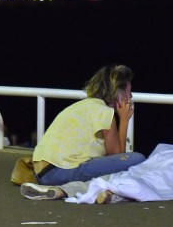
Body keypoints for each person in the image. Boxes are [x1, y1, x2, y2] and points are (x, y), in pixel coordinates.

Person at [21, 63, 146, 201]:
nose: (130, 96)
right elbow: (117, 155)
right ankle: (70, 190)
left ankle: (61, 191)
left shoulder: (83, 105)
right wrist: (124, 119)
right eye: (129, 92)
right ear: (118, 92)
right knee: (137, 159)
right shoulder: (104, 112)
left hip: (42, 172)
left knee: (113, 169)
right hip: (60, 171)